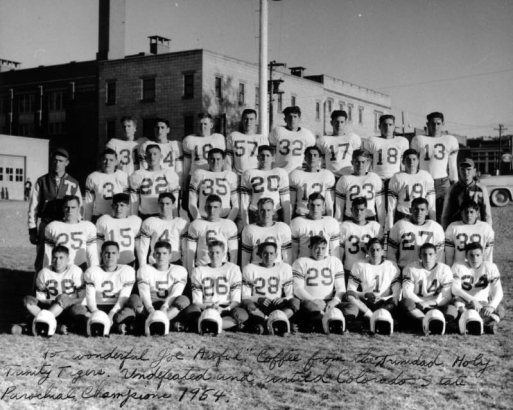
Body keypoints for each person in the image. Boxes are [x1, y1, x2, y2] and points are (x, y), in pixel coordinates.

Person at [28, 148, 82, 273]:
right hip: (46, 224)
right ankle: (38, 289)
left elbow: (80, 208)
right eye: (55, 160)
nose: (57, 164)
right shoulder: (42, 181)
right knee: (43, 258)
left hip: (65, 225)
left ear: (67, 163)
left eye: (61, 161)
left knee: (66, 257)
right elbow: (33, 207)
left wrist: (77, 225)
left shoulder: (74, 183)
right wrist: (32, 230)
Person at [13, 245, 84, 335]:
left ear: (68, 259)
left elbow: (83, 298)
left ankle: (38, 325)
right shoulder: (44, 272)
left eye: (61, 258)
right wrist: (54, 302)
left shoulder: (76, 271)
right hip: (51, 307)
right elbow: (41, 298)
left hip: (70, 308)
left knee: (76, 308)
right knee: (28, 300)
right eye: (54, 258)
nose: (57, 261)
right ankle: (54, 326)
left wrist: (68, 301)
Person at [292, 236, 357, 332]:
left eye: (323, 248)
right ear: (310, 247)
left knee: (353, 308)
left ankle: (319, 323)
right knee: (307, 306)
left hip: (329, 302)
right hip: (311, 301)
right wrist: (314, 300)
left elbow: (341, 288)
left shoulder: (334, 262)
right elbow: (297, 289)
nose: (320, 252)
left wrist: (335, 300)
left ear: (327, 248)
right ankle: (334, 322)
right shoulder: (301, 262)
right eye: (316, 248)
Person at [185, 240, 248, 332]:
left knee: (242, 315)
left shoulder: (233, 269)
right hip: (206, 306)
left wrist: (225, 309)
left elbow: (236, 300)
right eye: (211, 252)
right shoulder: (198, 270)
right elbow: (196, 301)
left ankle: (207, 324)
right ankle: (221, 325)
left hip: (226, 307)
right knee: (190, 311)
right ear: (208, 253)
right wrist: (208, 308)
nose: (214, 255)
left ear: (224, 253)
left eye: (217, 252)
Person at [79, 241, 137, 334]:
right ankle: (115, 328)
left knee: (130, 314)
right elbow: (90, 298)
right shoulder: (92, 271)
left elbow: (123, 298)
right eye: (107, 253)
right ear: (101, 254)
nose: (110, 256)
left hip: (117, 308)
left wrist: (112, 313)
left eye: (113, 253)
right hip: (97, 306)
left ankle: (98, 325)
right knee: (78, 311)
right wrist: (96, 312)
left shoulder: (127, 271)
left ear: (118, 255)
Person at [131, 241, 190, 333]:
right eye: (158, 253)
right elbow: (144, 294)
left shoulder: (179, 270)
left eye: (164, 253)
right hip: (149, 306)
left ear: (170, 255)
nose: (161, 256)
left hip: (169, 307)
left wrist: (165, 307)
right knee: (133, 298)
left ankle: (158, 322)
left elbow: (176, 293)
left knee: (184, 300)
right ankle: (158, 322)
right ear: (154, 255)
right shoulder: (145, 269)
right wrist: (150, 309)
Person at [411, 112, 459, 222]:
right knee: (423, 213)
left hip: (443, 182)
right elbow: (414, 163)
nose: (435, 126)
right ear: (427, 124)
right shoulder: (419, 140)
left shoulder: (450, 140)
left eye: (438, 123)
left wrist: (455, 182)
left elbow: (452, 164)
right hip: (424, 181)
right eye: (432, 123)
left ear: (443, 124)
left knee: (444, 214)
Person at [242, 242, 298, 334]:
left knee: (296, 302)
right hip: (260, 307)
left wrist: (283, 299)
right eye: (265, 253)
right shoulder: (250, 268)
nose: (268, 256)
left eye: (271, 253)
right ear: (259, 254)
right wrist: (258, 299)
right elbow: (245, 297)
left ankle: (265, 324)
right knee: (247, 303)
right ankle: (279, 322)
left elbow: (290, 295)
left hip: (277, 305)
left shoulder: (284, 268)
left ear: (276, 255)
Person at [451, 243, 505, 334]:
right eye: (471, 255)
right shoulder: (458, 266)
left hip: (482, 303)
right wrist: (472, 300)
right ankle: (485, 325)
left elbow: (498, 291)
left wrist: (491, 306)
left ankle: (471, 323)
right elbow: (455, 289)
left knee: (500, 310)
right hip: (464, 301)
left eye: (477, 255)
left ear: (482, 255)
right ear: (466, 256)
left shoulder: (490, 267)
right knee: (454, 306)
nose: (475, 258)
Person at [400, 243, 455, 331]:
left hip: (436, 304)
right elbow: (407, 293)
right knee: (406, 303)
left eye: (430, 254)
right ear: (420, 256)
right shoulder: (411, 268)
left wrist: (429, 303)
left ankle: (431, 322)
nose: (427, 257)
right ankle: (427, 321)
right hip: (418, 305)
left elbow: (447, 296)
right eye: (424, 254)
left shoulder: (444, 269)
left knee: (452, 309)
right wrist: (422, 302)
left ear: (436, 256)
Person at [346, 238, 401, 325]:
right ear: (367, 251)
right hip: (367, 303)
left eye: (378, 250)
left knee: (394, 300)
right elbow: (350, 290)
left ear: (383, 251)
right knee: (350, 296)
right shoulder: (359, 265)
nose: (374, 253)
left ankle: (375, 317)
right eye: (372, 250)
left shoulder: (391, 266)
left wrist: (382, 298)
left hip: (385, 303)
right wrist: (365, 294)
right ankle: (372, 316)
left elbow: (397, 293)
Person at [387, 197, 445, 271]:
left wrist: (435, 272)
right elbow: (391, 253)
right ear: (410, 210)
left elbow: (440, 256)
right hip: (404, 269)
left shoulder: (436, 228)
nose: (419, 212)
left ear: (427, 212)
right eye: (416, 209)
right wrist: (394, 271)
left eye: (422, 210)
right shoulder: (400, 225)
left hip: (427, 272)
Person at [44, 195, 98, 271]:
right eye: (67, 207)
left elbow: (92, 254)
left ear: (79, 208)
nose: (70, 210)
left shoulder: (88, 227)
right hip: (60, 267)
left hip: (80, 266)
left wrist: (95, 272)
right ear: (63, 208)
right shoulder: (53, 227)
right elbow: (48, 254)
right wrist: (47, 272)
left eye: (73, 207)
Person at [186, 194, 238, 273]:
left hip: (222, 268)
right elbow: (190, 252)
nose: (212, 210)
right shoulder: (196, 224)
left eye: (215, 207)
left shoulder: (229, 225)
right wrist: (191, 272)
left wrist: (231, 270)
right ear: (205, 208)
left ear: (221, 209)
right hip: (202, 268)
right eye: (209, 207)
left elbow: (233, 253)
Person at [240, 145, 290, 226]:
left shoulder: (280, 172)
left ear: (273, 158)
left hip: (274, 212)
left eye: (268, 155)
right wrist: (245, 224)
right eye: (262, 155)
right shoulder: (249, 173)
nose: (265, 158)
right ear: (257, 157)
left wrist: (288, 224)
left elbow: (285, 202)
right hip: (256, 212)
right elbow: (244, 203)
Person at [387, 149, 436, 230]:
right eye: (408, 159)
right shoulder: (397, 177)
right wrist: (389, 228)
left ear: (418, 161)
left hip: (421, 216)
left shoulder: (426, 176)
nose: (411, 162)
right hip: (403, 216)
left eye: (414, 159)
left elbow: (431, 205)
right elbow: (391, 206)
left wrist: (433, 224)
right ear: (403, 162)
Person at [335, 149, 385, 226]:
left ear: (368, 163)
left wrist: (382, 225)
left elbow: (380, 206)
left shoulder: (374, 178)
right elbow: (339, 207)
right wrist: (338, 224)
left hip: (369, 218)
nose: (360, 165)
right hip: (350, 219)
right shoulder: (344, 179)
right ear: (352, 162)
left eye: (363, 162)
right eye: (357, 162)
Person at [138, 193, 189, 267]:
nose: (164, 207)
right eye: (161, 203)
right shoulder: (149, 222)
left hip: (174, 262)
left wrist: (185, 268)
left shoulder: (181, 223)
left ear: (173, 205)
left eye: (167, 203)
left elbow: (185, 251)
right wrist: (142, 268)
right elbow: (143, 250)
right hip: (155, 262)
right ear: (158, 204)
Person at [129, 144, 180, 219]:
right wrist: (134, 218)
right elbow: (134, 200)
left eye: (155, 154)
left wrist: (175, 217)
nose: (152, 157)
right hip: (145, 214)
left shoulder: (169, 173)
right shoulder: (138, 174)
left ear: (161, 156)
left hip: (163, 215)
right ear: (145, 157)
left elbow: (174, 200)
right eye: (149, 154)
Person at [441, 158, 492, 230]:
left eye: (469, 169)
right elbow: (445, 215)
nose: (465, 172)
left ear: (474, 171)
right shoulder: (452, 189)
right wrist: (445, 232)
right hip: (457, 228)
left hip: (475, 228)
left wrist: (487, 231)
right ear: (459, 171)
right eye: (462, 169)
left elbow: (487, 215)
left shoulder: (481, 189)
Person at [340, 197, 383, 281]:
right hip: (350, 269)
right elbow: (339, 252)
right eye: (356, 209)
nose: (358, 212)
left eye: (361, 209)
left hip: (369, 269)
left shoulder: (375, 226)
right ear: (351, 210)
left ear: (366, 210)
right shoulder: (345, 226)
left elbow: (381, 252)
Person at [189, 148, 239, 221]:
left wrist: (228, 221)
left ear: (223, 161)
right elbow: (192, 201)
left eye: (218, 159)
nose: (215, 162)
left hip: (224, 216)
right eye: (212, 159)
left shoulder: (230, 175)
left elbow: (236, 204)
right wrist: (198, 219)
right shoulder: (199, 174)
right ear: (208, 160)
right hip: (204, 217)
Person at [241, 197, 292, 267]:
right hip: (257, 270)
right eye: (262, 210)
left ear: (273, 211)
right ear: (257, 212)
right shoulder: (249, 230)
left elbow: (287, 258)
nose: (265, 213)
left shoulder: (283, 228)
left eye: (268, 210)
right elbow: (245, 259)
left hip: (276, 270)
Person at [364, 115, 409, 192]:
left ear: (394, 126)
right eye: (384, 124)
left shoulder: (402, 141)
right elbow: (367, 163)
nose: (387, 127)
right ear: (379, 126)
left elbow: (403, 163)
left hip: (395, 178)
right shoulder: (372, 140)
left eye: (390, 125)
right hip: (377, 178)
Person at [84, 148, 129, 223]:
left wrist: (127, 218)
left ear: (116, 162)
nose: (108, 162)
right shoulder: (93, 177)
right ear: (101, 161)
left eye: (111, 160)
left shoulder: (123, 176)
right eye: (105, 159)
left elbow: (127, 201)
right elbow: (89, 203)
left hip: (118, 217)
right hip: (99, 216)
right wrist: (87, 222)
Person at [96, 193, 142, 266]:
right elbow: (98, 247)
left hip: (129, 261)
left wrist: (141, 264)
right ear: (112, 206)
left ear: (128, 207)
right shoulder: (104, 220)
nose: (118, 208)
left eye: (122, 205)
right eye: (116, 205)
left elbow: (139, 247)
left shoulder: (135, 221)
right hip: (110, 261)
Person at [290, 193, 340, 260]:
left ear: (323, 207)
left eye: (318, 205)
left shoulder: (331, 223)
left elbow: (335, 251)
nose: (315, 208)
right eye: (312, 205)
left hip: (324, 264)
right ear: (308, 206)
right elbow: (293, 252)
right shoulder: (297, 222)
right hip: (304, 263)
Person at [445, 200, 494, 267]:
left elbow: (488, 255)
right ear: (461, 213)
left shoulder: (486, 228)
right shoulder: (453, 227)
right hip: (460, 268)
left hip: (478, 267)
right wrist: (449, 269)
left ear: (477, 213)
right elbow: (449, 255)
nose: (468, 215)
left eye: (471, 212)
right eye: (466, 212)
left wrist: (487, 269)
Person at [290, 146, 335, 217]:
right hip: (302, 214)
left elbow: (329, 202)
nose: (312, 157)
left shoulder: (326, 175)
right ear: (305, 158)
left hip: (320, 215)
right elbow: (291, 202)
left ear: (319, 159)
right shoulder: (296, 174)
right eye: (309, 155)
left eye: (315, 155)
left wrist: (330, 218)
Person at [269, 106, 316, 173]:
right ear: (285, 119)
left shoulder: (306, 134)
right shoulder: (277, 131)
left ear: (299, 119)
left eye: (295, 116)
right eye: (289, 116)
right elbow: (271, 149)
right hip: (280, 171)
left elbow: (312, 153)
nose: (292, 119)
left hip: (298, 171)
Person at [138, 118, 183, 186]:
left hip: (170, 181)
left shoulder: (175, 145)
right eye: (157, 128)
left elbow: (179, 169)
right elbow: (144, 167)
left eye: (162, 128)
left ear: (168, 130)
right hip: (153, 181)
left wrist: (179, 184)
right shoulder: (147, 145)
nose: (159, 131)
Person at [316, 110, 361, 178]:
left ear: (345, 123)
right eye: (336, 122)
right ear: (331, 123)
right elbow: (319, 161)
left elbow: (359, 158)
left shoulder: (352, 138)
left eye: (342, 122)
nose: (339, 125)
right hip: (331, 176)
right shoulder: (323, 140)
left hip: (348, 176)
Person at [226, 109, 269, 176]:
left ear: (256, 121)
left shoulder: (262, 139)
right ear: (242, 120)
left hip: (256, 175)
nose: (248, 122)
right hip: (238, 175)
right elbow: (228, 161)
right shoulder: (233, 136)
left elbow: (266, 161)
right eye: (246, 119)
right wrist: (230, 175)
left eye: (251, 119)